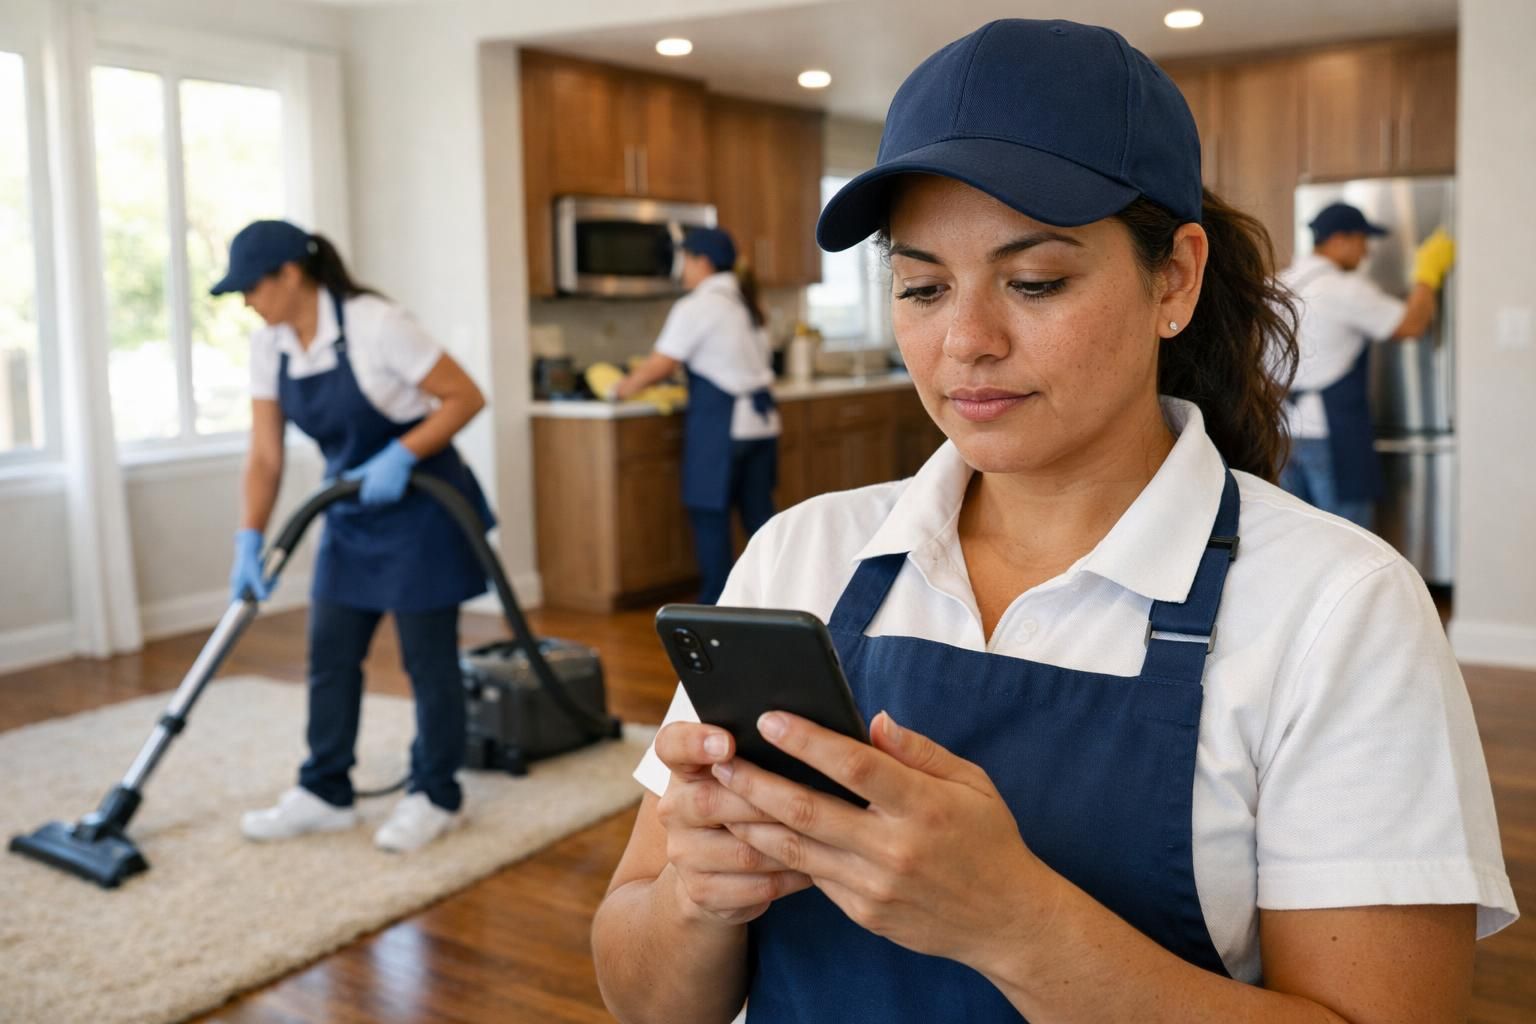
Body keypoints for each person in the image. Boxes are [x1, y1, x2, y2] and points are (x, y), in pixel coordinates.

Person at [591, 19, 1515, 1024]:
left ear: (1175, 278)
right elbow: (642, 998)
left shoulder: (1338, 611)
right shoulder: (799, 556)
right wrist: (696, 896)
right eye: (922, 286)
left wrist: (1015, 924)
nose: (967, 342)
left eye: (1035, 281)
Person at [219, 220, 493, 853]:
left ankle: (436, 795)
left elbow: (463, 396)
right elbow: (264, 455)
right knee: (331, 654)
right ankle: (325, 791)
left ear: (292, 274)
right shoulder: (272, 346)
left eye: (252, 287)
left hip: (425, 501)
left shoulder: (375, 324)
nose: (246, 302)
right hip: (352, 509)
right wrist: (248, 538)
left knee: (428, 661)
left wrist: (400, 454)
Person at [606, 227, 780, 605]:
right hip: (761, 424)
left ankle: (717, 606)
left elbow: (661, 364)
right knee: (758, 516)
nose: (681, 268)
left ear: (701, 261)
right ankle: (773, 598)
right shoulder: (747, 302)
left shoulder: (699, 305)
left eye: (684, 259)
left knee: (709, 512)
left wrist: (616, 389)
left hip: (724, 422)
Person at [1278, 202, 1455, 528]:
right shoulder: (1346, 290)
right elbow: (1412, 325)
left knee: (1296, 539)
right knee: (1349, 541)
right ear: (1340, 239)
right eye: (1363, 242)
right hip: (1332, 437)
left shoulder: (1275, 285)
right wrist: (1426, 275)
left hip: (1281, 435)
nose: (1366, 254)